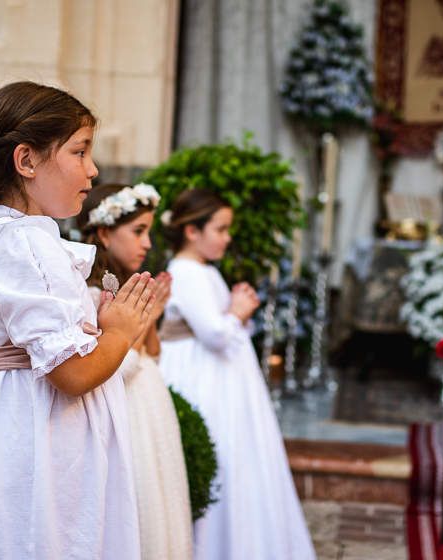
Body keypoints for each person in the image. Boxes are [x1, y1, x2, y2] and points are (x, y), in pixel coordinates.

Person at [0, 81, 157, 559]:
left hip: (13, 429)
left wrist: (94, 324)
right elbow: (73, 373)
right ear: (26, 161)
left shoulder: (5, 237)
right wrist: (120, 333)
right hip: (42, 446)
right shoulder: (27, 242)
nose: (93, 169)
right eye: (79, 151)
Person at [158, 188, 315, 560]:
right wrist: (238, 311)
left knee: (238, 459)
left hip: (222, 378)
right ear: (192, 231)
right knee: (222, 457)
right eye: (221, 229)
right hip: (202, 379)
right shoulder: (185, 271)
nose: (228, 237)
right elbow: (214, 333)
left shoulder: (205, 271)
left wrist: (235, 307)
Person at [76, 182, 193, 560]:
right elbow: (116, 369)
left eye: (149, 232)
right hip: (122, 414)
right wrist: (138, 325)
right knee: (136, 503)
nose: (147, 243)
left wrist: (151, 319)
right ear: (106, 233)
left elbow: (152, 357)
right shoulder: (93, 294)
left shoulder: (130, 285)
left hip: (150, 410)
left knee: (162, 498)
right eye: (138, 231)